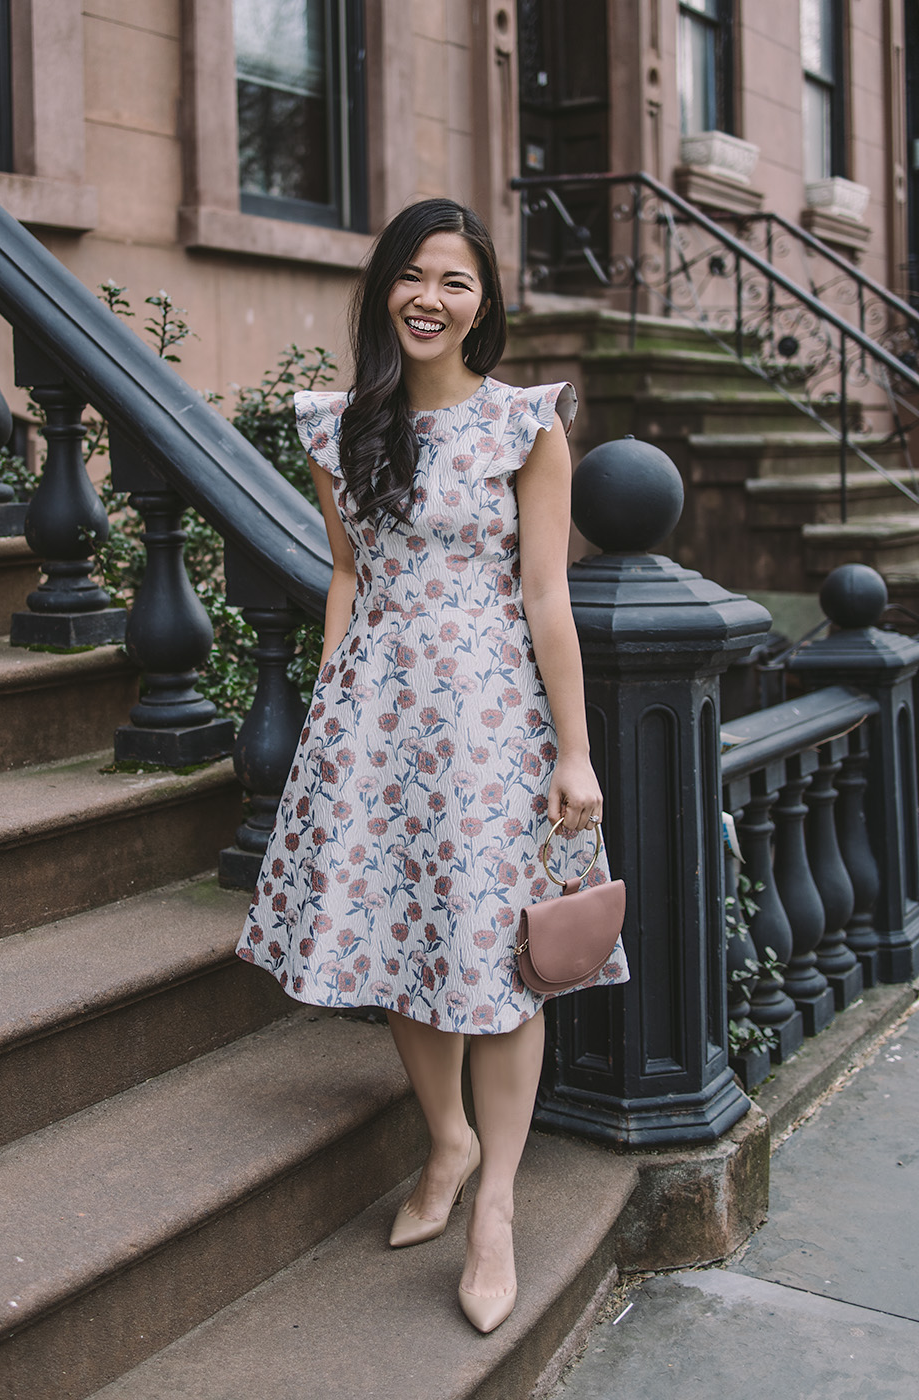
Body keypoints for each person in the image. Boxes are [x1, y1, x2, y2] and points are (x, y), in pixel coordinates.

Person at [237, 197, 629, 1335]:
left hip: (494, 724)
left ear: (484, 303)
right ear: (381, 292)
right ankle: (446, 1139)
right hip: (375, 717)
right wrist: (329, 706)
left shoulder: (524, 423)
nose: (429, 297)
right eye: (411, 276)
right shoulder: (334, 426)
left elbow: (547, 595)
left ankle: (495, 1205)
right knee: (404, 934)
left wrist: (574, 748)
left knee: (504, 962)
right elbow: (349, 576)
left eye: (454, 280)